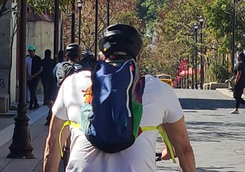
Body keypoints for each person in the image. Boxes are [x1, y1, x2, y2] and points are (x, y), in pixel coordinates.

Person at [43, 24, 196, 172]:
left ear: (101, 56)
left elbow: (53, 144)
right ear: (139, 58)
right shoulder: (159, 90)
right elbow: (184, 149)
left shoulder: (72, 83)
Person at [28, 45, 43, 110]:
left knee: (33, 89)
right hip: (29, 77)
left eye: (32, 51)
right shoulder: (27, 58)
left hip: (36, 77)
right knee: (32, 90)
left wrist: (34, 76)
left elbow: (41, 69)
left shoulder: (38, 59)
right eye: (30, 51)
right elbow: (25, 67)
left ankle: (31, 104)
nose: (31, 52)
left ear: (34, 51)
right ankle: (36, 103)